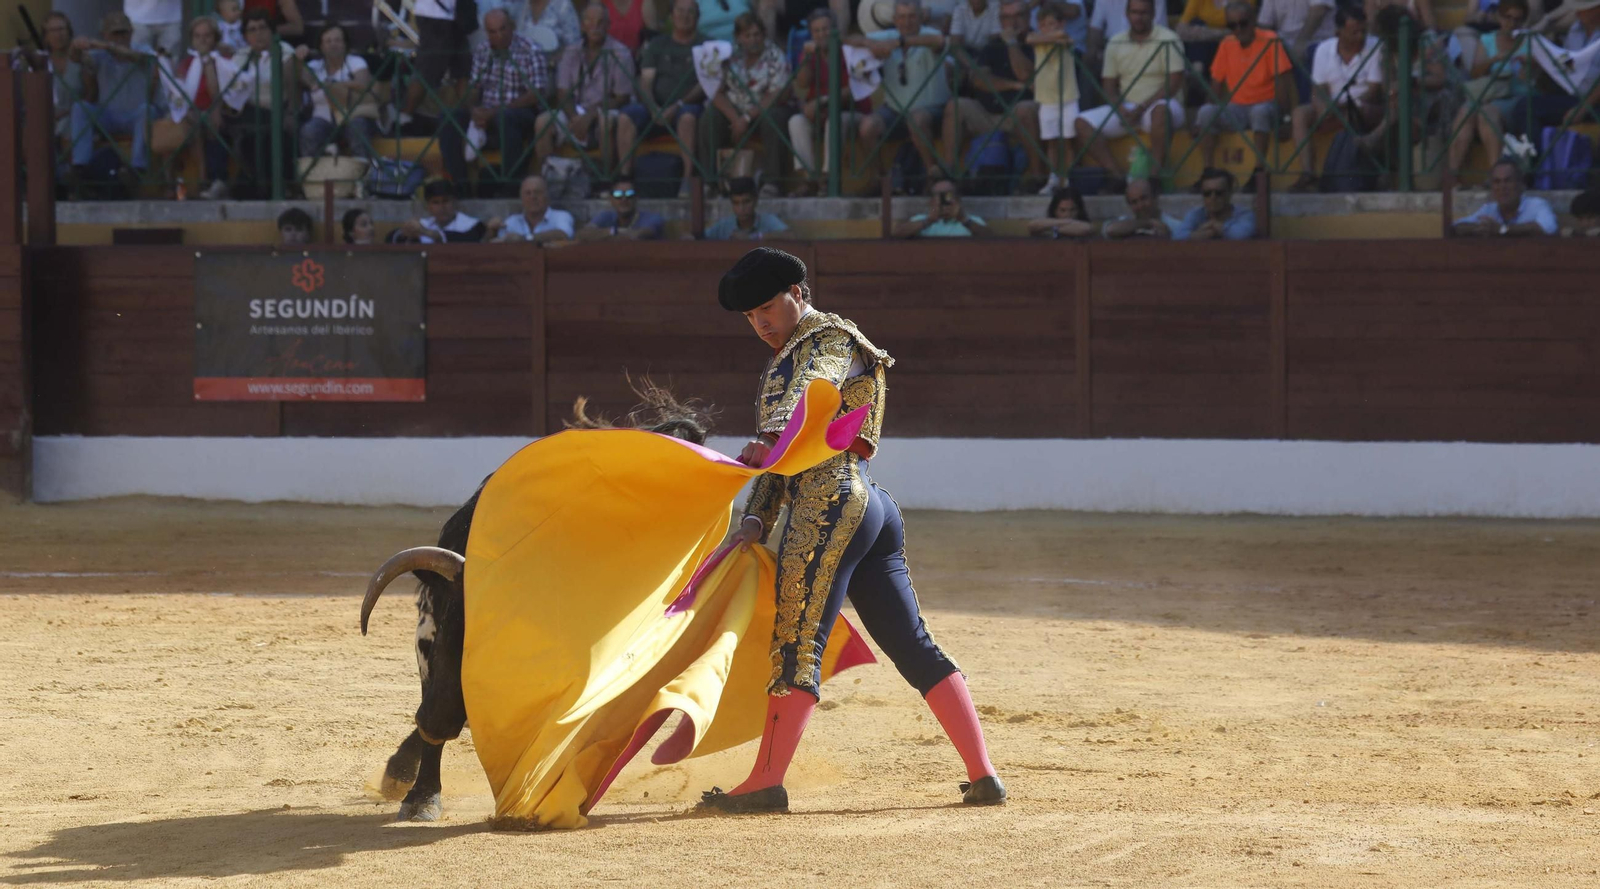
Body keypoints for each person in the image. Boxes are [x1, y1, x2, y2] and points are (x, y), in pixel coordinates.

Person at [697, 246, 1005, 814]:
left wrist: (770, 440)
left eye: (768, 307)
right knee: (911, 643)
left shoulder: (828, 341)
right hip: (867, 506)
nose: (760, 323)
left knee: (796, 639)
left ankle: (766, 781)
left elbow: (811, 394)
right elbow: (779, 459)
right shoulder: (794, 350)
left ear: (799, 294)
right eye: (750, 317)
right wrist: (756, 518)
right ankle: (983, 775)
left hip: (830, 504)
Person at [1074, 0, 1187, 194]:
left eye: (1144, 12)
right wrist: (1120, 108)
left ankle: (1154, 177)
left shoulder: (1169, 38)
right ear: (1127, 14)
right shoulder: (1116, 41)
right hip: (1127, 108)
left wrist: (1141, 108)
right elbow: (1108, 84)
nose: (1139, 17)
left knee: (1160, 111)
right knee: (1081, 122)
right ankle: (1118, 178)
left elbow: (1173, 83)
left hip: (1161, 105)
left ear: (1153, 14)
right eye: (1134, 12)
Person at [1286, 5, 1384, 191]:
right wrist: (1322, 106)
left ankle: (1340, 177)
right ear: (1338, 32)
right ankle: (1308, 174)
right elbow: (1318, 88)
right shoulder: (1323, 49)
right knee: (1300, 114)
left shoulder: (1375, 46)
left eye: (1363, 31)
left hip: (1361, 108)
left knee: (1355, 113)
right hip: (1334, 107)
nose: (1361, 36)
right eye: (1354, 32)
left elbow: (1373, 91)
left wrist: (1341, 105)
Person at [159, 16, 253, 200]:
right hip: (192, 112)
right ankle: (170, 183)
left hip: (220, 110)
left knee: (208, 123)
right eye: (197, 36)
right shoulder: (187, 63)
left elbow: (222, 92)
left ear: (215, 38)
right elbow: (179, 93)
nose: (202, 40)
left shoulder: (225, 59)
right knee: (178, 123)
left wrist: (209, 64)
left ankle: (209, 181)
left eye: (207, 35)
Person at [70, 12, 158, 186]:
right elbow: (75, 59)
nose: (120, 37)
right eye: (115, 33)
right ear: (105, 34)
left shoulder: (142, 49)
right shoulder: (98, 55)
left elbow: (145, 60)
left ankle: (137, 168)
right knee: (81, 108)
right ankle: (80, 166)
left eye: (123, 32)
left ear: (131, 33)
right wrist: (75, 45)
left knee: (147, 110)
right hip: (108, 116)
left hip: (134, 116)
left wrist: (107, 46)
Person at [296, 23, 379, 159]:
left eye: (337, 40)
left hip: (353, 115)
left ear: (345, 44)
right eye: (328, 41)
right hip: (322, 119)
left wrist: (333, 85)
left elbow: (363, 84)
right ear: (321, 47)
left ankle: (363, 172)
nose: (333, 44)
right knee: (309, 131)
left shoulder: (355, 61)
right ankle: (313, 176)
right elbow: (302, 77)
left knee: (357, 126)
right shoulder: (315, 66)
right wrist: (300, 57)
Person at [1026, 2, 1081, 195]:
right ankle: (1053, 177)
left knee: (1067, 140)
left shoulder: (1064, 37)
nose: (1050, 28)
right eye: (1045, 24)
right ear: (1040, 25)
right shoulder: (1038, 40)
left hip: (1067, 96)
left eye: (1053, 24)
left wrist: (1050, 37)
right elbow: (1030, 38)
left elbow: (1063, 38)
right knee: (1051, 141)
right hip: (1047, 98)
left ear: (1061, 23)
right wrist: (1048, 38)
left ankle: (1067, 179)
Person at [1451, 158, 1558, 236]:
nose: (1502, 187)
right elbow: (1455, 227)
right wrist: (1478, 229)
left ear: (1521, 185)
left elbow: (1549, 229)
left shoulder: (1536, 205)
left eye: (1508, 181)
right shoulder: (1488, 209)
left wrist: (1502, 229)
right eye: (1497, 182)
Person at [394, 178, 492, 242]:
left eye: (445, 201)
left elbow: (466, 239)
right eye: (435, 202)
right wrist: (404, 233)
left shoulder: (474, 225)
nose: (441, 207)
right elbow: (391, 238)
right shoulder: (424, 224)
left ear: (454, 202)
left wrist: (425, 232)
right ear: (428, 206)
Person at [488, 174, 577, 242]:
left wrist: (525, 239)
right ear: (521, 198)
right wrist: (492, 232)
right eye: (528, 193)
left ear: (547, 196)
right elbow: (495, 244)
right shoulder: (512, 221)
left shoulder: (561, 216)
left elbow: (563, 235)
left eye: (537, 192)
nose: (533, 197)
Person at [1173, 166, 1257, 238]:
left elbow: (1241, 235)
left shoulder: (1244, 215)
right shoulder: (1196, 214)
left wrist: (1216, 227)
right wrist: (1199, 234)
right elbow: (1177, 236)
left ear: (1230, 193)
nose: (1213, 197)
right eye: (1207, 193)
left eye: (1219, 193)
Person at [892, 179, 993, 236]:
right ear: (931, 201)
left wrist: (964, 220)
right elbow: (897, 234)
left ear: (957, 200)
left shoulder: (971, 221)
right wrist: (928, 221)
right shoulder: (920, 220)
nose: (944, 201)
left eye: (948, 195)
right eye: (940, 195)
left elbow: (991, 238)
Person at [576, 176, 667, 239]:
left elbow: (638, 235)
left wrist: (602, 235)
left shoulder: (652, 218)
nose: (624, 199)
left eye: (629, 194)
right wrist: (614, 232)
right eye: (618, 194)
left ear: (636, 198)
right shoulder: (606, 216)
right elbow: (581, 235)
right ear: (611, 199)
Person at [705, 176, 791, 239]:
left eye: (746, 202)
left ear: (755, 200)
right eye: (736, 203)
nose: (741, 208)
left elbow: (790, 235)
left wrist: (753, 237)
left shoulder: (767, 220)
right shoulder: (724, 225)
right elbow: (701, 238)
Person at [1101, 176, 1183, 237]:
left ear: (1155, 197)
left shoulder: (1175, 225)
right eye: (1134, 202)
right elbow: (1109, 230)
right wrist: (1149, 223)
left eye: (1144, 198)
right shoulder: (1126, 222)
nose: (1140, 206)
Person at [1028, 185, 1096, 238]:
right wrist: (1067, 221)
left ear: (1079, 210)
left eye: (1072, 210)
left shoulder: (1085, 225)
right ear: (1055, 210)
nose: (1068, 214)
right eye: (1063, 210)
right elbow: (1033, 225)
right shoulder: (1049, 223)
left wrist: (1054, 231)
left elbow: (1087, 229)